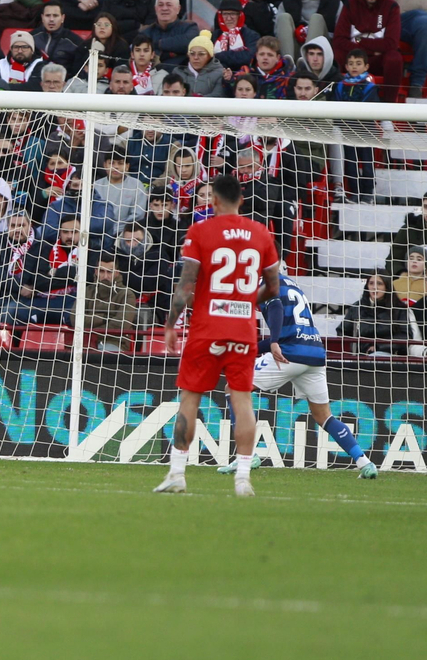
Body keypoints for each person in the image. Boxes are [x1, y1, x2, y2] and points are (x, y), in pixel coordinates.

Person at [153, 172, 279, 496]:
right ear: (242, 199)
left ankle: (177, 474)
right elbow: (274, 288)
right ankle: (243, 479)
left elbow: (184, 287)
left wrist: (170, 325)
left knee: (190, 399)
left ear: (213, 200)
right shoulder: (261, 233)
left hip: (206, 329)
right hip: (243, 330)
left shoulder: (200, 231)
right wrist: (247, 299)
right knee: (243, 401)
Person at [227, 272, 379, 477]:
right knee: (324, 416)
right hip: (315, 352)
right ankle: (365, 462)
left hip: (289, 352)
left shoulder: (266, 281)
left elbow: (276, 309)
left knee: (234, 388)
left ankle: (247, 455)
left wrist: (259, 345)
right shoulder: (291, 283)